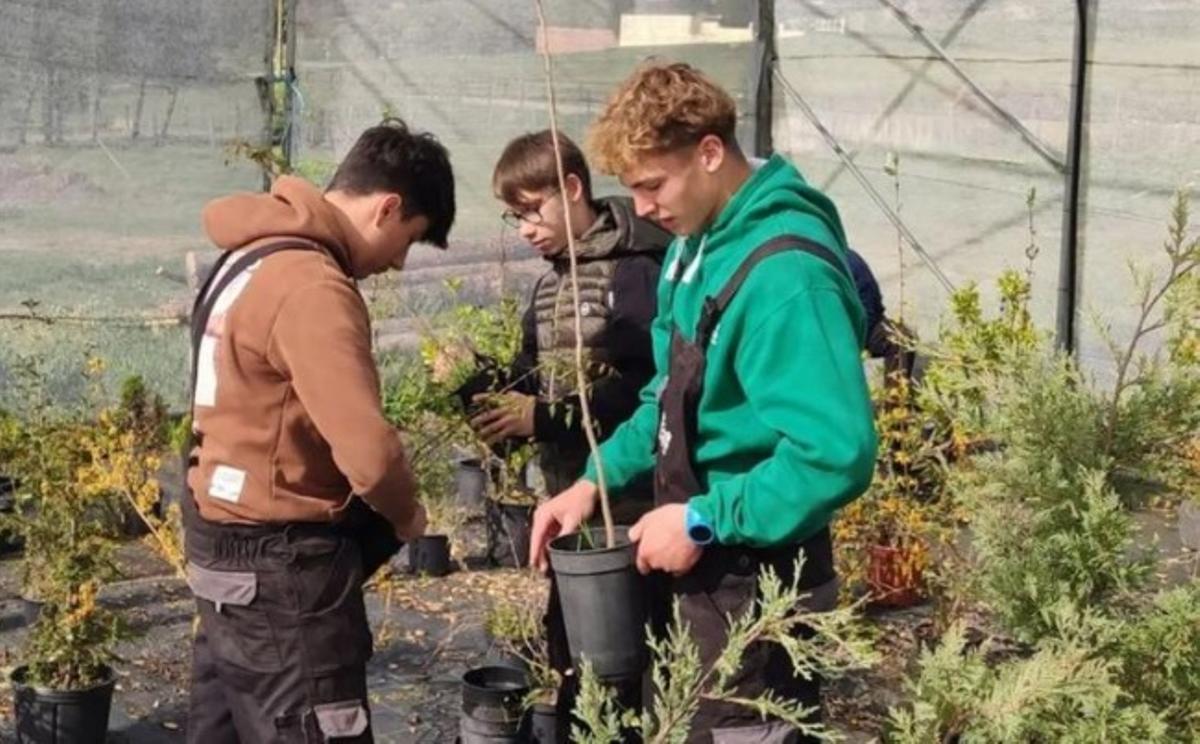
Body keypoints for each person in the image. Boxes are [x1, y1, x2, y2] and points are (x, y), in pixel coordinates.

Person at [529, 62, 878, 742]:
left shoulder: (786, 276)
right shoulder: (697, 248)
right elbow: (668, 393)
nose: (645, 207)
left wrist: (702, 521)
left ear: (711, 153)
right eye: (632, 189)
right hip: (703, 569)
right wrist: (591, 485)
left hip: (759, 583)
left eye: (652, 184)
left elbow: (836, 454)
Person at [183, 118, 455, 743]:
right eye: (408, 239)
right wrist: (407, 514)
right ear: (388, 207)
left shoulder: (245, 257)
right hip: (282, 566)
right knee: (314, 728)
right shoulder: (311, 284)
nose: (397, 262)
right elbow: (368, 453)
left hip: (220, 541)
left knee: (222, 727)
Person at [461, 129, 671, 735]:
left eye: (534, 209)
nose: (526, 227)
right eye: (515, 215)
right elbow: (537, 378)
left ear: (572, 188)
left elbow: (648, 392)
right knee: (574, 652)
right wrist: (489, 392)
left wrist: (545, 417)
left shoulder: (634, 271)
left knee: (629, 657)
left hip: (630, 504)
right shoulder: (550, 283)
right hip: (570, 499)